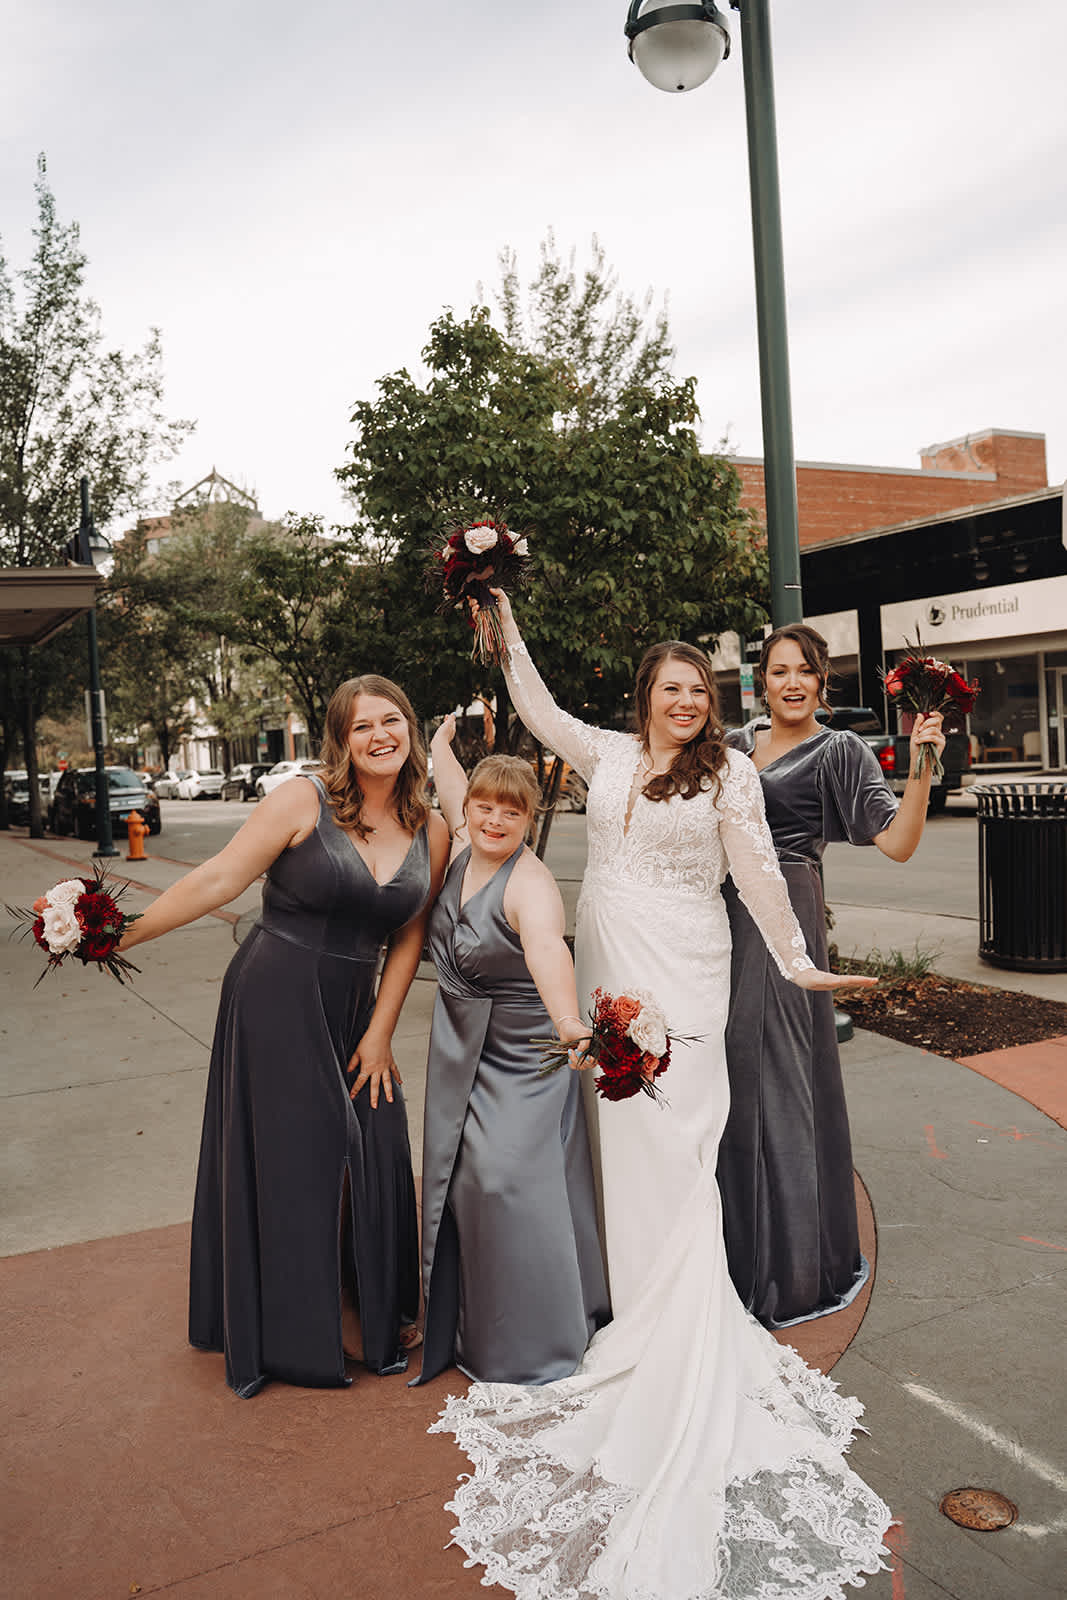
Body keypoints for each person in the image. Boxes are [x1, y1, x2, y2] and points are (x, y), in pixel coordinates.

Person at [428, 591, 892, 1600]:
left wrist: (799, 964)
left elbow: (758, 876)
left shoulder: (728, 773)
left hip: (686, 971)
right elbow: (537, 707)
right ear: (645, 694)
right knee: (614, 1136)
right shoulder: (601, 752)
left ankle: (670, 1317)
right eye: (671, 688)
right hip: (608, 957)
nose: (686, 702)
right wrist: (505, 622)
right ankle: (614, 1295)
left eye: (698, 691)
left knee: (678, 1142)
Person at [119, 676, 449, 1397]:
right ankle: (302, 1324)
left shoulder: (431, 826)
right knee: (301, 1156)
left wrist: (381, 1031)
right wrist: (124, 933)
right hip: (275, 995)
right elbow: (218, 879)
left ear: (410, 728)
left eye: (391, 721)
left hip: (355, 1009)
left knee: (373, 1140)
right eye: (361, 727)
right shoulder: (303, 799)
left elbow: (410, 936)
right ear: (341, 740)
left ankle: (358, 1299)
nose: (379, 736)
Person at [718, 625, 946, 1328]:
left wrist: (922, 763)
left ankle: (783, 1268)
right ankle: (721, 1256)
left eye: (804, 672)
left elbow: (898, 844)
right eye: (778, 671)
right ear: (760, 681)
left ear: (822, 681)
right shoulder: (731, 745)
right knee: (725, 1077)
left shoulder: (839, 750)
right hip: (716, 916)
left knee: (777, 1078)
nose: (791, 683)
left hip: (787, 909)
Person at [415, 720, 609, 1387]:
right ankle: (474, 1323)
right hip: (462, 1044)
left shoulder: (530, 883)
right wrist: (441, 743)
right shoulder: (462, 843)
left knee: (507, 1183)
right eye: (485, 806)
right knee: (462, 1181)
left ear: (530, 818)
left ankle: (535, 1339)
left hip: (524, 1053)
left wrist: (570, 1024)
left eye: (512, 811)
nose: (494, 820)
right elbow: (449, 783)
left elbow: (549, 950)